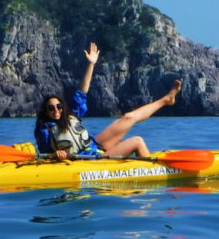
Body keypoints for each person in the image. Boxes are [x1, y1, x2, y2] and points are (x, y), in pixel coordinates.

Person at [34, 42, 181, 159]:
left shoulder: (71, 114)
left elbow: (83, 90)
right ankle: (151, 185)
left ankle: (166, 99)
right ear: (46, 112)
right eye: (51, 108)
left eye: (58, 106)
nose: (56, 110)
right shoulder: (45, 130)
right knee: (137, 141)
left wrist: (91, 64)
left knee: (128, 117)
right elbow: (45, 154)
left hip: (95, 146)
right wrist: (56, 155)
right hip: (93, 159)